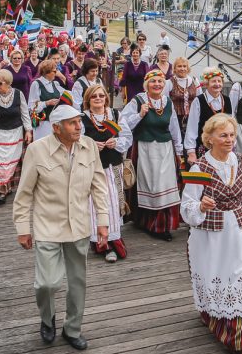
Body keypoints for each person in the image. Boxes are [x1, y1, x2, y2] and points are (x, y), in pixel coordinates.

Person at [13, 104, 109, 349]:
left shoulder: (89, 148)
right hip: (47, 225)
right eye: (72, 123)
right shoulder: (37, 150)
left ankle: (72, 329)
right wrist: (23, 228)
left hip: (78, 225)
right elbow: (24, 193)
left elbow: (99, 186)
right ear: (56, 128)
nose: (79, 126)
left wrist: (103, 222)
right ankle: (47, 319)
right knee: (47, 283)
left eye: (80, 121)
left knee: (78, 281)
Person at [181, 113, 242, 354]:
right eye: (223, 135)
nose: (229, 140)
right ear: (210, 139)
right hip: (210, 235)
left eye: (232, 135)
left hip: (237, 230)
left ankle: (239, 340)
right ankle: (212, 317)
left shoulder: (241, 162)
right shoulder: (199, 167)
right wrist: (201, 207)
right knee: (214, 275)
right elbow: (186, 206)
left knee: (239, 278)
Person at [121, 69, 184, 240]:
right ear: (146, 84)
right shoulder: (138, 100)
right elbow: (124, 123)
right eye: (153, 81)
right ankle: (147, 222)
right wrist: (140, 114)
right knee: (150, 184)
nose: (157, 84)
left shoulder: (168, 102)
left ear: (164, 85)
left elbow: (174, 129)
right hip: (144, 148)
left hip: (165, 149)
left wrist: (179, 151)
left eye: (160, 81)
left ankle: (162, 225)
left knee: (164, 185)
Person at [81, 84, 131, 263]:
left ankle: (114, 237)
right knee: (96, 204)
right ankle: (102, 244)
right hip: (94, 168)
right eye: (94, 96)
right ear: (88, 99)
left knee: (114, 203)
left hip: (113, 166)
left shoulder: (115, 115)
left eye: (101, 96)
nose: (98, 99)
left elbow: (127, 138)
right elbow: (76, 142)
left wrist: (116, 143)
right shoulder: (82, 119)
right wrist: (91, 145)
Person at [0, 69, 33, 204]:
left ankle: (5, 189)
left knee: (10, 164)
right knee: (0, 164)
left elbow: (25, 114)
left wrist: (28, 131)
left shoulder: (19, 95)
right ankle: (2, 190)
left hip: (15, 134)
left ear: (8, 83)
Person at [185, 68, 232, 165]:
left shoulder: (227, 100)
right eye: (213, 81)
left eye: (219, 81)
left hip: (223, 147)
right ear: (206, 84)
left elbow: (231, 126)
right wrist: (191, 152)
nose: (217, 84)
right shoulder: (199, 101)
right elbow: (191, 128)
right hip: (204, 148)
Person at [27, 60, 67, 141]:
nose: (56, 73)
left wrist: (63, 77)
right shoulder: (36, 84)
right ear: (47, 72)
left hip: (55, 122)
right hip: (42, 124)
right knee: (43, 149)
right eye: (54, 71)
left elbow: (69, 95)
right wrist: (47, 103)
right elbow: (31, 107)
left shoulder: (55, 84)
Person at [164, 57, 200, 141]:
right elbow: (165, 101)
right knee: (178, 140)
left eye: (184, 66)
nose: (182, 69)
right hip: (175, 117)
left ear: (188, 68)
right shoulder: (169, 82)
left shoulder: (194, 81)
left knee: (192, 139)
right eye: (179, 66)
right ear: (175, 68)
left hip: (192, 116)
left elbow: (199, 98)